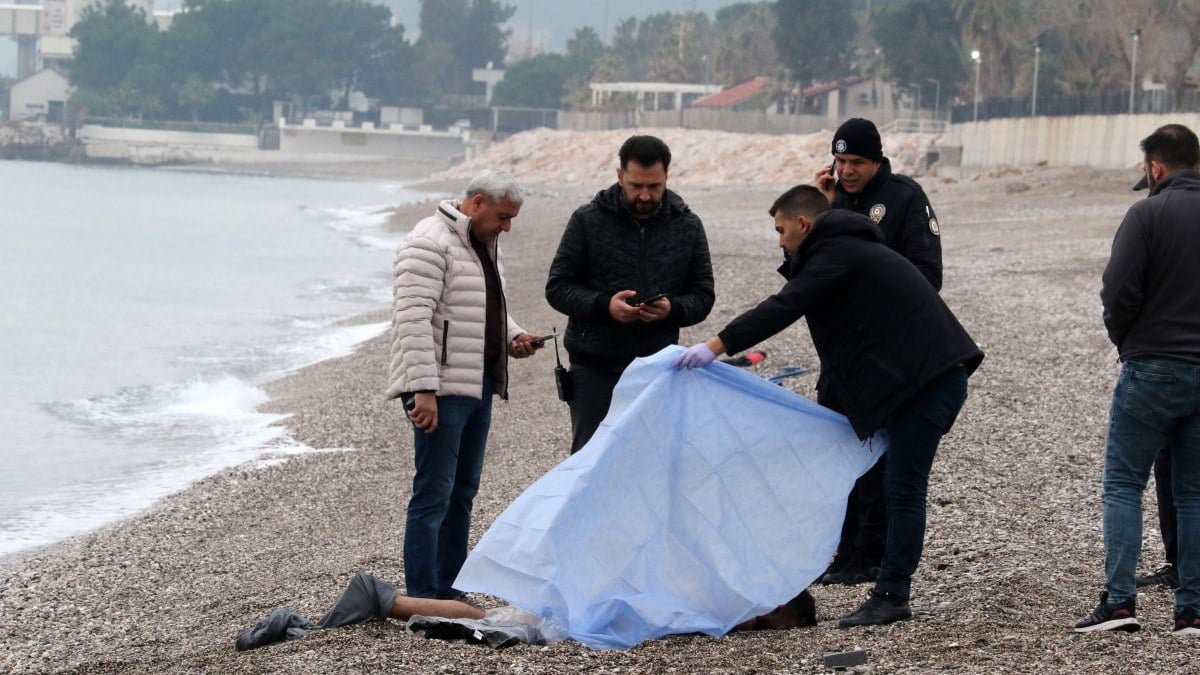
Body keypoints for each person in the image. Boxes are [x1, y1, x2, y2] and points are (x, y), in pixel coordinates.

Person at [675, 184, 983, 628]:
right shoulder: (842, 248)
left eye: (782, 231)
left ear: (803, 224)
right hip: (916, 379)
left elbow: (788, 303)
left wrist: (715, 345)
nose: (780, 241)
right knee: (888, 480)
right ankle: (872, 572)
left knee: (903, 487)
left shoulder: (840, 251)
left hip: (930, 381)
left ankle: (892, 594)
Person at [384, 169, 543, 599]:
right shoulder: (427, 242)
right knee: (434, 494)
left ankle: (450, 588)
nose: (507, 226)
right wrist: (422, 390)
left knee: (462, 493)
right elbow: (411, 321)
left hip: (476, 385)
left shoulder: (485, 243)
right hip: (439, 390)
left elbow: (486, 306)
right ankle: (422, 594)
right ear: (477, 203)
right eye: (503, 216)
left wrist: (514, 337)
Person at [1074, 123, 1200, 635]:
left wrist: (1127, 341)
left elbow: (1117, 291)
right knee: (1193, 493)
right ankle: (1192, 609)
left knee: (1124, 484)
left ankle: (1121, 602)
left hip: (1151, 365)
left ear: (1155, 167)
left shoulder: (1146, 213)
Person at [811, 117, 944, 586]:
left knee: (879, 460)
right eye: (840, 161)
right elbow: (807, 272)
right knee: (838, 454)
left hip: (886, 354)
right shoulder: (830, 201)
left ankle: (873, 554)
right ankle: (844, 552)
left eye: (856, 163)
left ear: (877, 160)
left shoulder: (905, 199)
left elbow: (928, 277)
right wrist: (821, 209)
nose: (846, 171)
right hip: (840, 354)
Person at [546, 134, 715, 454]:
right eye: (636, 185)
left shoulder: (688, 225)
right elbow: (557, 288)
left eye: (654, 186)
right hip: (594, 367)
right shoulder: (587, 220)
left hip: (658, 368)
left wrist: (672, 310)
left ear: (667, 177)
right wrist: (604, 307)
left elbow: (704, 294)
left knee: (652, 462)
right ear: (620, 175)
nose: (645, 196)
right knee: (591, 462)